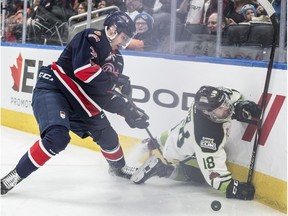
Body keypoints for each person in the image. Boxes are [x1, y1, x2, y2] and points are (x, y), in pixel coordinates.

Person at [1, 11, 149, 195]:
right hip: (55, 88)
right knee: (57, 137)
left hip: (81, 100)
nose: (124, 44)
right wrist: (114, 81)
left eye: (127, 40)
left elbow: (102, 94)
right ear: (111, 29)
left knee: (108, 136)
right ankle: (15, 175)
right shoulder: (90, 37)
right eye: (123, 37)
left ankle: (118, 168)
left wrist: (127, 110)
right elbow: (83, 70)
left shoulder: (117, 61)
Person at [131, 85, 261, 200]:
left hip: (177, 134)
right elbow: (213, 173)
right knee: (197, 176)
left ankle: (150, 143)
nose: (226, 108)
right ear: (208, 113)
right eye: (221, 109)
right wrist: (232, 188)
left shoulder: (206, 102)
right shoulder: (208, 136)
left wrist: (239, 105)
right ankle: (162, 169)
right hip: (185, 152)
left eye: (225, 103)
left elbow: (231, 94)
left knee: (177, 133)